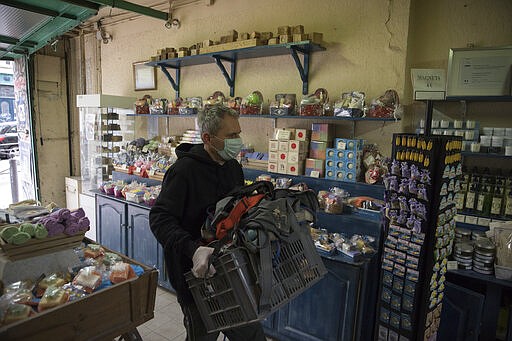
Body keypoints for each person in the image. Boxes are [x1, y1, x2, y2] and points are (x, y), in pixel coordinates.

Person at [149, 104, 266, 341]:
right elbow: (159, 218)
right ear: (207, 138)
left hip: (229, 270)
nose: (238, 140)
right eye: (231, 136)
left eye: (238, 133)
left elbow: (232, 211)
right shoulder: (183, 171)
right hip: (194, 277)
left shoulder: (233, 167)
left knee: (252, 334)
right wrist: (193, 250)